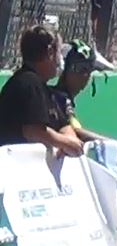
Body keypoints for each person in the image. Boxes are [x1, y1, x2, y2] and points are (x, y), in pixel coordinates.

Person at [0, 26, 84, 157]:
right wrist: (65, 143)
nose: (59, 60)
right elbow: (33, 131)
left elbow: (64, 125)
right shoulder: (27, 83)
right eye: (59, 53)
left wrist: (69, 139)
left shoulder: (44, 88)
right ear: (50, 52)